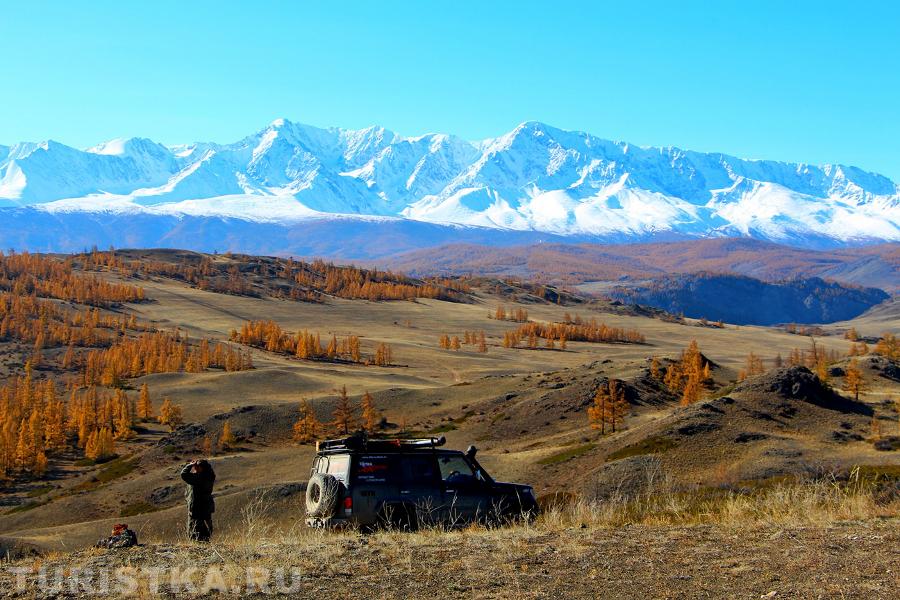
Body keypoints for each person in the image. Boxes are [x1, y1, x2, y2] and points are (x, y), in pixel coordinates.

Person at [181, 459, 216, 542]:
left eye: (198, 467)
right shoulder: (209, 475)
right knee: (205, 527)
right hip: (205, 507)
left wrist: (190, 465)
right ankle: (203, 542)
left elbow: (184, 474)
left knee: (195, 529)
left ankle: (199, 543)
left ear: (203, 468)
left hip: (197, 508)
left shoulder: (200, 478)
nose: (196, 468)